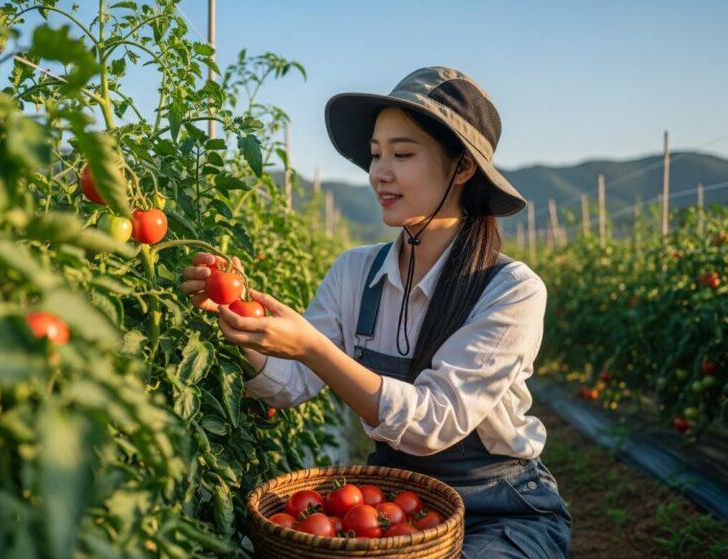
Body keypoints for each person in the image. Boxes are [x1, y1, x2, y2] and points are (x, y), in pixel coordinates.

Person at [179, 66, 571, 558]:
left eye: (402, 154)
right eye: (375, 154)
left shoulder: (509, 291)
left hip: (500, 512)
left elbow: (434, 422)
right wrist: (238, 317)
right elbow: (290, 382)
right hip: (392, 503)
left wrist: (312, 346)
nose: (378, 173)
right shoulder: (354, 272)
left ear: (462, 167)